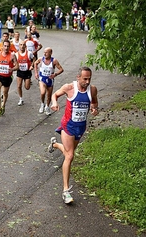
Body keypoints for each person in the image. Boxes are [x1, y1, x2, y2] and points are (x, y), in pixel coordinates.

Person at [48, 66, 99, 204]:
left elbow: (94, 103)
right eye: (85, 79)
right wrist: (54, 103)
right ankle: (65, 191)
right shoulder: (69, 87)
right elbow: (55, 95)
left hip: (80, 128)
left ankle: (54, 144)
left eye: (89, 79)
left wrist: (94, 109)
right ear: (78, 77)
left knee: (68, 153)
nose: (87, 82)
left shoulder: (92, 90)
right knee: (70, 156)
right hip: (68, 126)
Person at [33, 47, 64, 115]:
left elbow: (61, 69)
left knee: (49, 96)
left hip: (50, 80)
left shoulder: (54, 61)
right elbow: (35, 63)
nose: (45, 54)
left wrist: (55, 74)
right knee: (42, 92)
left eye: (46, 52)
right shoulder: (41, 59)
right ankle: (42, 104)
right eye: (44, 52)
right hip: (42, 79)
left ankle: (47, 107)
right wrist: (36, 73)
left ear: (51, 53)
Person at [15, 41, 34, 106]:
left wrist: (32, 65)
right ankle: (21, 99)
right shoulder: (16, 54)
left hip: (27, 72)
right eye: (21, 45)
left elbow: (34, 58)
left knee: (27, 87)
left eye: (23, 45)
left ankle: (26, 82)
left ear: (25, 46)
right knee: (19, 86)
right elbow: (13, 62)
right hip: (20, 72)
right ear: (19, 46)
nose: (22, 46)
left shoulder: (29, 53)